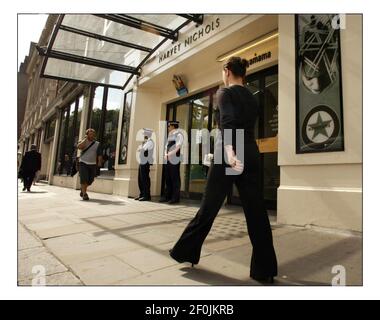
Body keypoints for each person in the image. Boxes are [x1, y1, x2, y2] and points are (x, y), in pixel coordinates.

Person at [169, 57, 278, 283]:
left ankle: (184, 252)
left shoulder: (224, 93)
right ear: (243, 74)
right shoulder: (252, 96)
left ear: (227, 71)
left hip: (229, 154)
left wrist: (229, 151)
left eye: (223, 72)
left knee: (208, 208)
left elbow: (227, 120)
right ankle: (265, 270)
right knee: (256, 214)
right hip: (250, 152)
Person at [159, 121, 184, 204]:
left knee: (174, 178)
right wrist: (165, 154)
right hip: (168, 158)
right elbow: (166, 146)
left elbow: (178, 147)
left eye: (169, 126)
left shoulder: (179, 135)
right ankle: (167, 196)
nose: (168, 128)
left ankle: (175, 197)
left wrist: (169, 154)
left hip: (174, 158)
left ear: (173, 126)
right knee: (168, 177)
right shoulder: (170, 136)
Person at [77, 128, 102, 201]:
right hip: (83, 162)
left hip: (93, 164)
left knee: (90, 180)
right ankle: (85, 194)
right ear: (87, 134)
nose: (92, 135)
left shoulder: (97, 143)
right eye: (90, 134)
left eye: (93, 134)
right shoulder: (83, 142)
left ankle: (82, 189)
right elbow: (79, 147)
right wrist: (85, 139)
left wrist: (99, 162)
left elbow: (99, 154)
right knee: (84, 179)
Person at [135, 128, 155, 201]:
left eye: (145, 133)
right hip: (142, 161)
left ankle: (146, 195)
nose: (144, 135)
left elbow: (142, 149)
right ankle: (142, 194)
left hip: (146, 162)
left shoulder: (150, 142)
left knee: (145, 178)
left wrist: (141, 149)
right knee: (140, 178)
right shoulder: (146, 141)